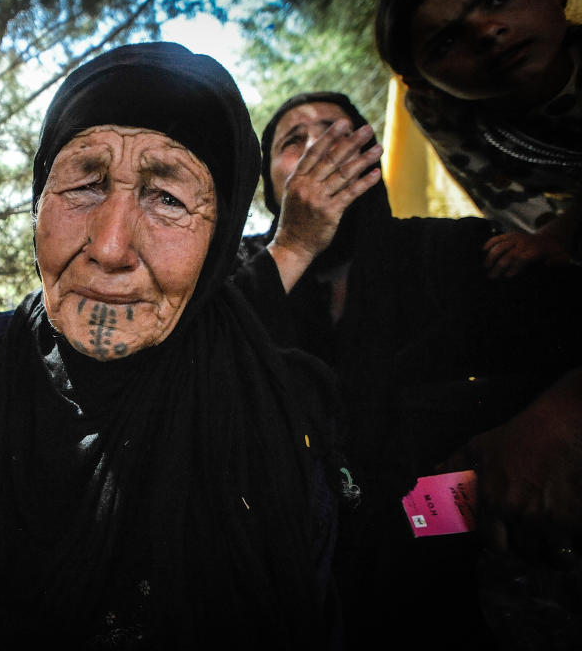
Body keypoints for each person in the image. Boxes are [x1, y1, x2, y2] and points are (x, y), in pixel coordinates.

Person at [0, 43, 384, 650]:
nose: (108, 248)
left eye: (167, 197)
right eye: (84, 184)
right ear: (37, 201)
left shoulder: (279, 411)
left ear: (218, 240)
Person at [241, 91, 582, 650]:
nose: (316, 147)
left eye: (335, 129)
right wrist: (295, 246)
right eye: (291, 142)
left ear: (371, 156)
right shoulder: (245, 279)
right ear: (269, 185)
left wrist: (558, 415)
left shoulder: (454, 253)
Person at [375, 0, 582, 279]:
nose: (486, 31)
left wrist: (558, 234)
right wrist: (548, 241)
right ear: (423, 84)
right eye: (445, 43)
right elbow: (531, 236)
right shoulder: (439, 112)